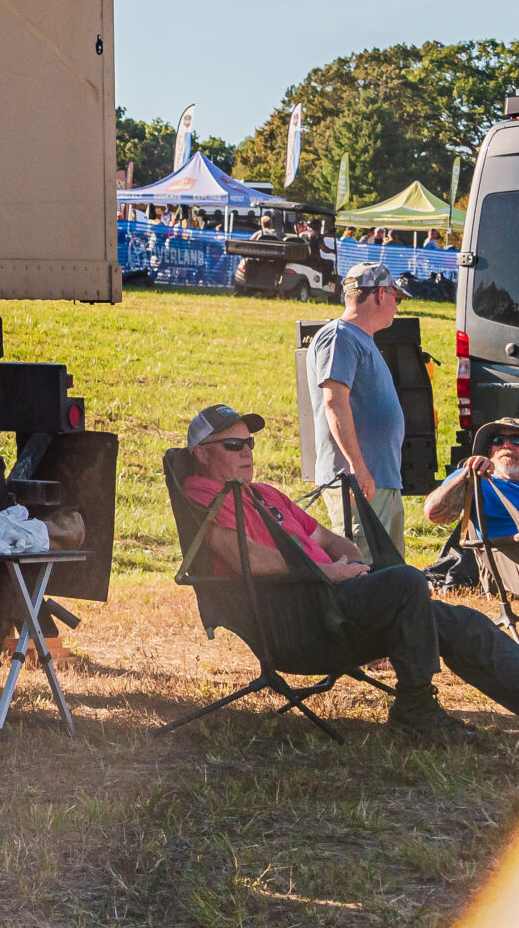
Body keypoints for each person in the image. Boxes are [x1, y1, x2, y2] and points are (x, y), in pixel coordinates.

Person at [181, 405, 519, 734]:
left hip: (334, 602)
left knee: (459, 621)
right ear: (202, 454)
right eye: (233, 444)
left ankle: (420, 708)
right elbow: (248, 560)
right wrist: (328, 573)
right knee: (407, 581)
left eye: (249, 442)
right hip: (299, 622)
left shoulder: (264, 494)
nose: (246, 452)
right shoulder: (203, 498)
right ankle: (415, 707)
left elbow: (329, 539)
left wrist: (354, 565)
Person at [307, 262, 409, 559]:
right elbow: (334, 402)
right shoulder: (340, 336)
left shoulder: (360, 339)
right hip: (358, 481)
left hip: (378, 478)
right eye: (396, 298)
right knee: (362, 568)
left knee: (391, 573)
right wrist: (358, 467)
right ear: (380, 294)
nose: (397, 308)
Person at [425, 417, 519, 594]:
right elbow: (435, 513)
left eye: (516, 440)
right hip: (508, 565)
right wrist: (468, 474)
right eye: (498, 440)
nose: (506, 445)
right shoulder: (477, 481)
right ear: (489, 450)